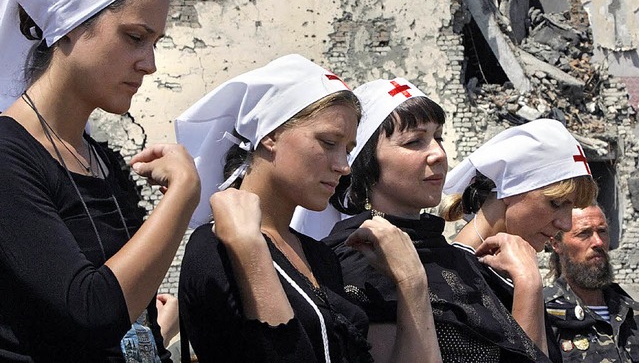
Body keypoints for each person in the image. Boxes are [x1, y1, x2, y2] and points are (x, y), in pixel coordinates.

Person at [0, 0, 201, 361]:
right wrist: (183, 196)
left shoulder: (104, 162)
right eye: (134, 37)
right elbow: (90, 312)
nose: (149, 64)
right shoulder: (6, 155)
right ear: (71, 27)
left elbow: (127, 319)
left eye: (155, 43)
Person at [176, 55, 441, 363]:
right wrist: (249, 251)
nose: (343, 166)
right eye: (329, 142)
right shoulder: (215, 247)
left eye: (348, 150)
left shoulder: (321, 258)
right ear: (271, 135)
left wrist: (412, 282)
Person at [306, 77, 552, 362]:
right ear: (367, 160)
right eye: (414, 141)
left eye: (438, 137)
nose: (438, 154)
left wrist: (528, 283)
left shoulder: (457, 260)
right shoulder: (359, 261)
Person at [441, 119, 598, 361]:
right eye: (555, 203)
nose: (566, 224)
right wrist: (528, 282)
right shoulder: (449, 281)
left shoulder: (508, 273)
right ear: (510, 191)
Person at [544, 205, 639, 362]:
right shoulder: (544, 315)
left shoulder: (632, 313)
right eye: (584, 233)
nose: (598, 242)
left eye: (602, 231)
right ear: (556, 244)